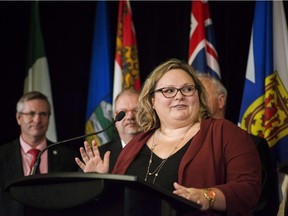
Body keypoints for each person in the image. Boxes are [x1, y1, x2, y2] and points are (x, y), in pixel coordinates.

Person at [75, 59, 262, 215]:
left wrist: (208, 196)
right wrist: (102, 183)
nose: (179, 96)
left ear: (198, 96)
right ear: (152, 101)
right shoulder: (135, 145)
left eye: (187, 89)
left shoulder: (225, 133)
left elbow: (248, 190)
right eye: (169, 90)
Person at [197, 73, 279, 216]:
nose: (196, 101)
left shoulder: (253, 144)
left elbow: (262, 204)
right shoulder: (186, 144)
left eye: (202, 94)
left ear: (221, 101)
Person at [0, 91, 79, 216]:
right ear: (18, 118)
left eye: (43, 114)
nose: (37, 120)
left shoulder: (68, 157)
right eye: (31, 114)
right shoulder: (3, 156)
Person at [98, 88, 140, 172]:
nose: (130, 116)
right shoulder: (99, 156)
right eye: (123, 112)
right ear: (115, 117)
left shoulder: (160, 151)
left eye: (136, 110)